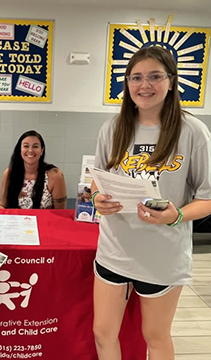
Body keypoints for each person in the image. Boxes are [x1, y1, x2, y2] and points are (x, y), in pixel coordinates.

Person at [91, 46, 211, 359]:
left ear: (171, 81)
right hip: (114, 249)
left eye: (155, 76)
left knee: (155, 337)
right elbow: (97, 179)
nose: (145, 85)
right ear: (127, 83)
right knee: (103, 333)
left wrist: (177, 216)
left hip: (162, 255)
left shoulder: (193, 132)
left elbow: (207, 198)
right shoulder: (113, 129)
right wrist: (96, 197)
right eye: (137, 77)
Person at [0, 130, 67, 209]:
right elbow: (3, 205)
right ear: (20, 150)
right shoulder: (9, 174)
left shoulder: (55, 175)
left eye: (35, 146)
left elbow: (60, 211)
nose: (30, 150)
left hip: (45, 221)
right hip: (17, 220)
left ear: (42, 151)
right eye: (26, 146)